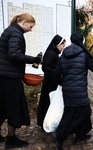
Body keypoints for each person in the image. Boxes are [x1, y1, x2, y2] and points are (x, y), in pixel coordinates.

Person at [53, 31, 93, 150]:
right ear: (81, 40)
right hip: (79, 91)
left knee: (72, 113)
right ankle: (60, 135)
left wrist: (62, 83)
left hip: (68, 91)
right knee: (84, 112)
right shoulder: (83, 53)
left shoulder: (64, 54)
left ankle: (80, 135)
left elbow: (56, 73)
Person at [0, 13, 42, 149]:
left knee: (2, 107)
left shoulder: (9, 30)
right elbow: (14, 54)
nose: (31, 30)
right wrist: (34, 60)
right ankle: (11, 139)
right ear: (24, 22)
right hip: (10, 77)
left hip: (3, 75)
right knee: (13, 107)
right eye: (30, 26)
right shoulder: (16, 34)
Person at [37, 35, 66, 130]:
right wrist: (57, 73)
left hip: (52, 81)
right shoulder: (51, 53)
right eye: (63, 46)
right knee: (48, 102)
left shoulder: (54, 53)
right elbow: (45, 67)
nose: (63, 48)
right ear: (58, 45)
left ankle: (48, 122)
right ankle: (45, 122)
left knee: (50, 102)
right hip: (50, 82)